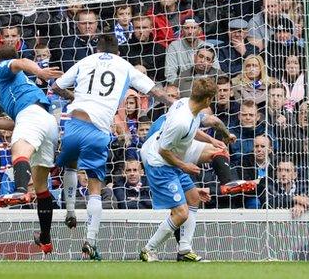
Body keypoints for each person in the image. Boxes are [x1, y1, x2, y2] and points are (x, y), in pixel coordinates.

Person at [50, 34, 175, 260]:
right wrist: (175, 105)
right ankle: (90, 240)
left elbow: (56, 86)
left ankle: (69, 211)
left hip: (74, 123)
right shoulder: (123, 65)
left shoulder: (85, 61)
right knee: (95, 188)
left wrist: (74, 97)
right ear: (117, 51)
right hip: (98, 131)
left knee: (70, 167)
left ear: (96, 49)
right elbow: (154, 91)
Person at [0, 45, 62, 254]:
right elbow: (18, 122)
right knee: (41, 187)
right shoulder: (17, 87)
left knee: (18, 152)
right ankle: (45, 238)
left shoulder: (1, 69)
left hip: (33, 116)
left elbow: (21, 63)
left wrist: (40, 72)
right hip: (48, 122)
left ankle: (19, 191)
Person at [139, 78, 249, 262]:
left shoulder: (186, 105)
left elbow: (194, 127)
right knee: (181, 213)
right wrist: (185, 166)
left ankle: (184, 250)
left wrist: (213, 140)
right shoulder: (181, 121)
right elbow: (163, 151)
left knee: (194, 198)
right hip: (159, 163)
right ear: (207, 100)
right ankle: (147, 249)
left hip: (171, 155)